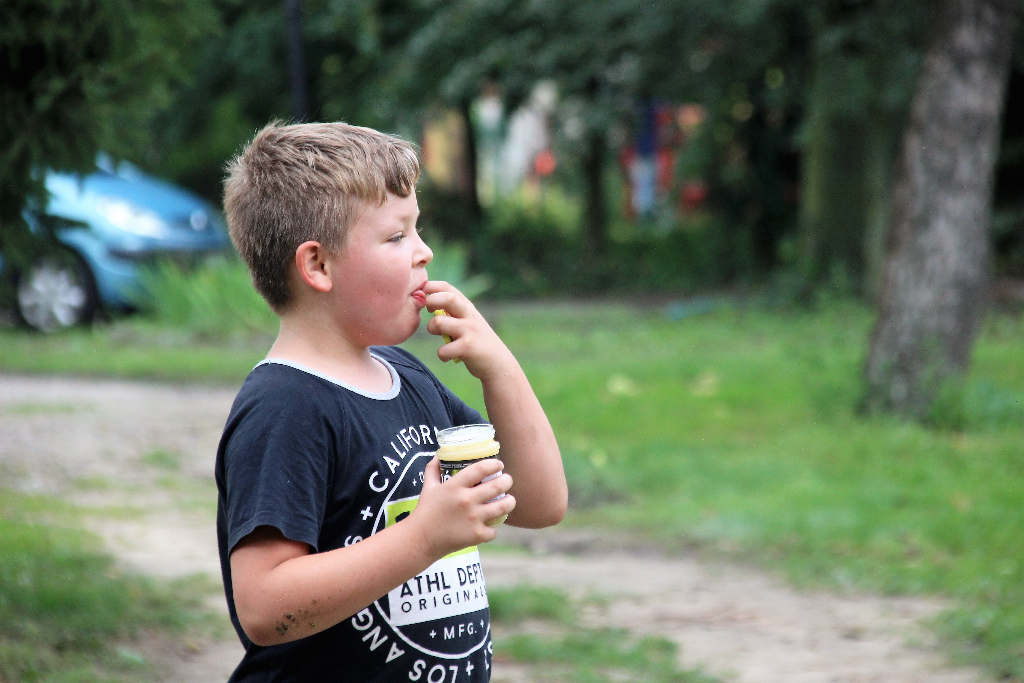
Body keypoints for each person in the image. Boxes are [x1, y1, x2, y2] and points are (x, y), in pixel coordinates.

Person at [215, 121, 567, 683]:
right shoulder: (286, 405)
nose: (424, 252)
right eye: (396, 236)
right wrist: (424, 537)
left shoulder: (406, 376)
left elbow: (538, 502)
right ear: (318, 266)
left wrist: (498, 367)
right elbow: (263, 606)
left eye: (417, 229)